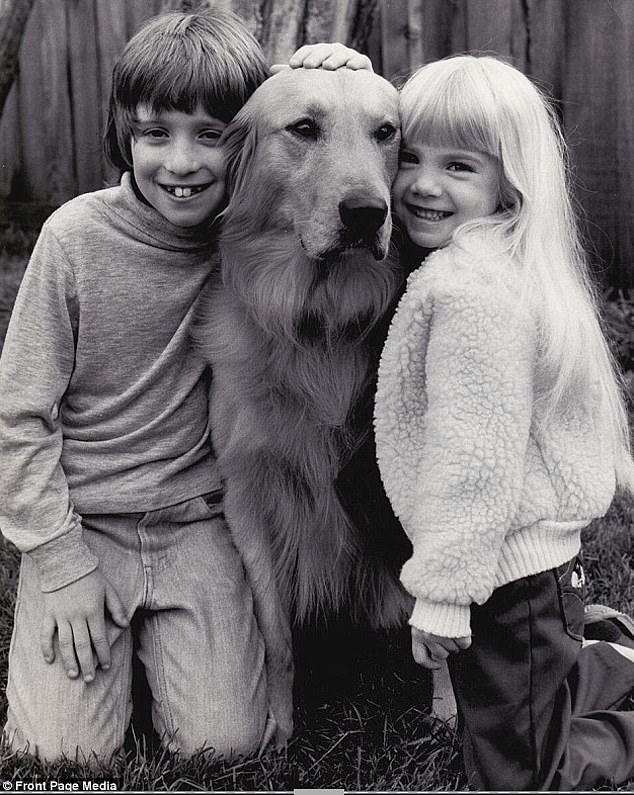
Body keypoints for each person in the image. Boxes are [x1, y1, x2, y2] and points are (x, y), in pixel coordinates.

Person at [0, 7, 365, 762]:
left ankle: (163, 647)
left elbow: (319, 137)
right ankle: (93, 647)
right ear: (121, 135)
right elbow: (17, 414)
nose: (183, 162)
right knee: (62, 762)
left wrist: (324, 65)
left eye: (211, 135)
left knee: (224, 743)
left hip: (197, 521)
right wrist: (61, 565)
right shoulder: (72, 240)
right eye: (154, 133)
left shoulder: (251, 240)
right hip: (86, 525)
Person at [373, 54, 634, 791]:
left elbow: (474, 455)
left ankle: (597, 677)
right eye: (412, 158)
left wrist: (444, 594)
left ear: (508, 186)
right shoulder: (491, 259)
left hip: (509, 576)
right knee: (512, 706)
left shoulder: (471, 294)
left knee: (523, 774)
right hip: (524, 569)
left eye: (459, 166)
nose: (424, 184)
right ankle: (597, 652)